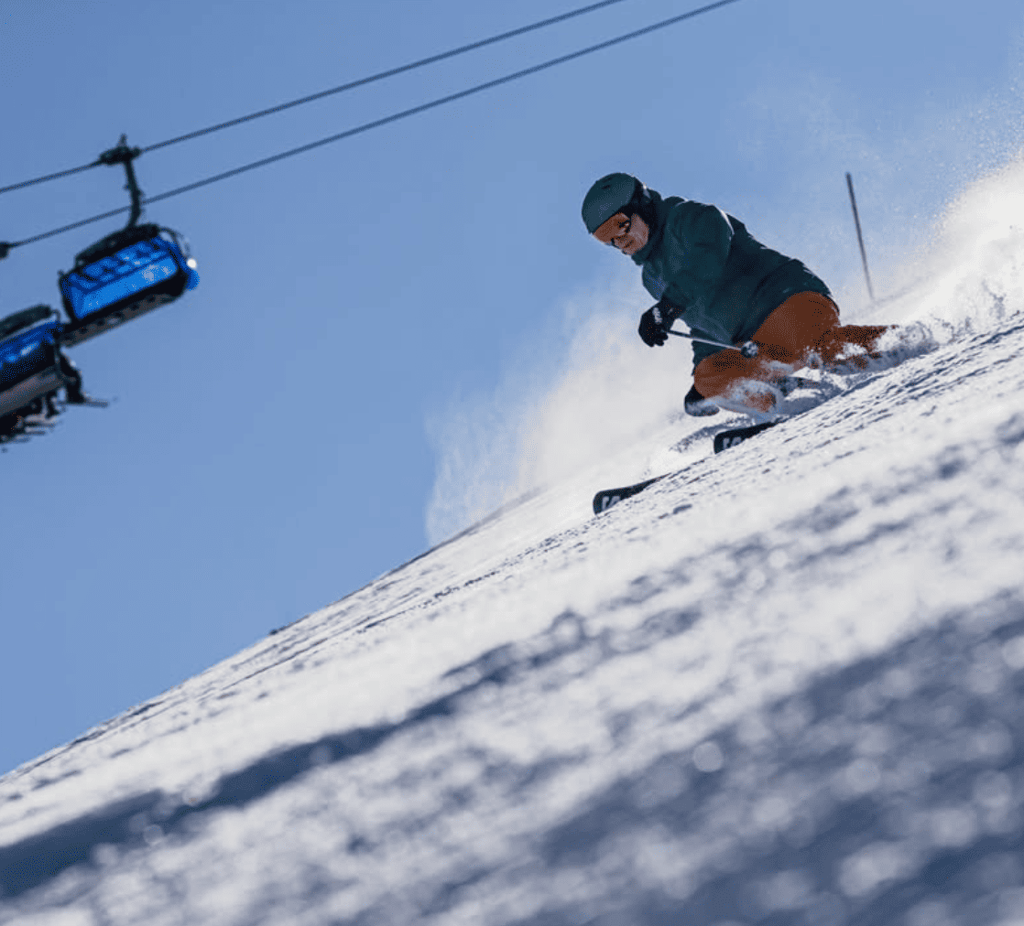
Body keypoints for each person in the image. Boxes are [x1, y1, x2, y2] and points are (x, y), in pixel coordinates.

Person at [581, 172, 892, 417]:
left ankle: (899, 344)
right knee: (709, 378)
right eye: (604, 238)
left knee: (817, 348)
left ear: (643, 205)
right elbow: (700, 323)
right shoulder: (651, 276)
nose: (618, 241)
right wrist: (700, 383)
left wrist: (668, 307)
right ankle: (779, 401)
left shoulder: (690, 217)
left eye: (619, 225)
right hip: (755, 346)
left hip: (785, 302)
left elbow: (708, 260)